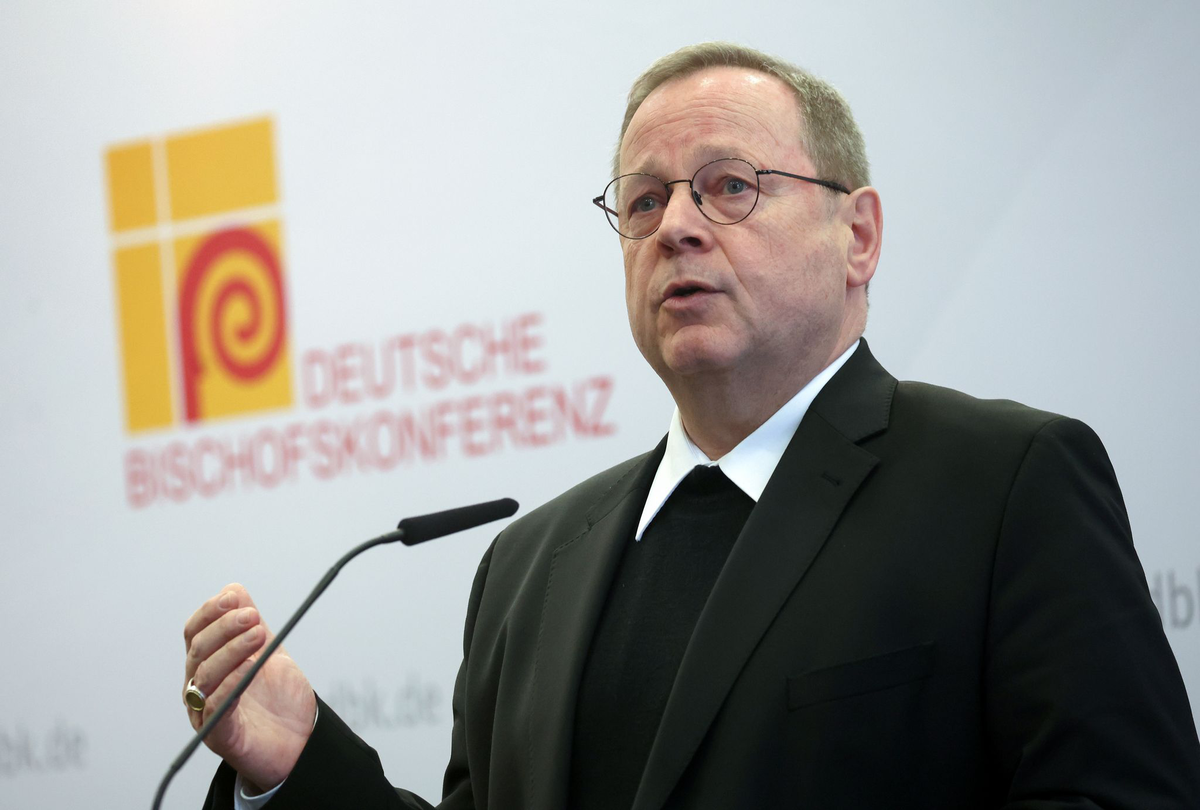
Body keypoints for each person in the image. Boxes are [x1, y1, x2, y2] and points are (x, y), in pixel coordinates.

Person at [182, 42, 1200, 809]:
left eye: (730, 187)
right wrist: (303, 767)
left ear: (858, 235)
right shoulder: (527, 567)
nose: (675, 226)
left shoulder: (1005, 485)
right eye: (642, 203)